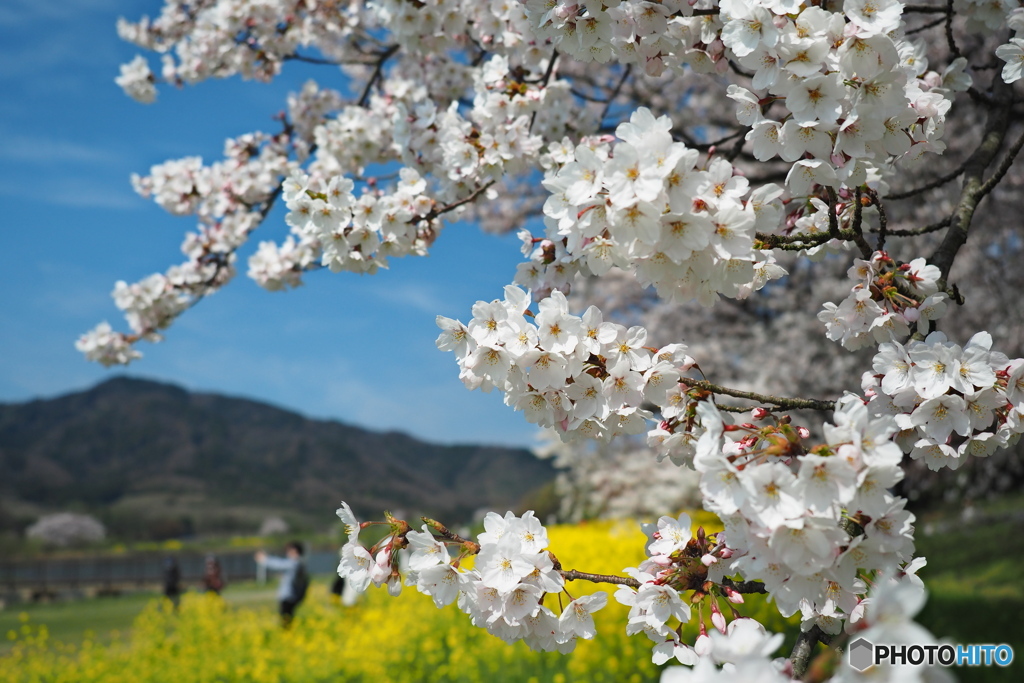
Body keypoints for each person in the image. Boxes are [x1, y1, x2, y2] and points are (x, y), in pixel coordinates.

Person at [255, 541, 309, 628]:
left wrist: (264, 559)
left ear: (295, 551)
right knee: (286, 620)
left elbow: (279, 564)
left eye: (289, 550)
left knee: (286, 621)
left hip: (289, 596)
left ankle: (287, 635)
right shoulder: (298, 563)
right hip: (290, 596)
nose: (287, 552)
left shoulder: (296, 563)